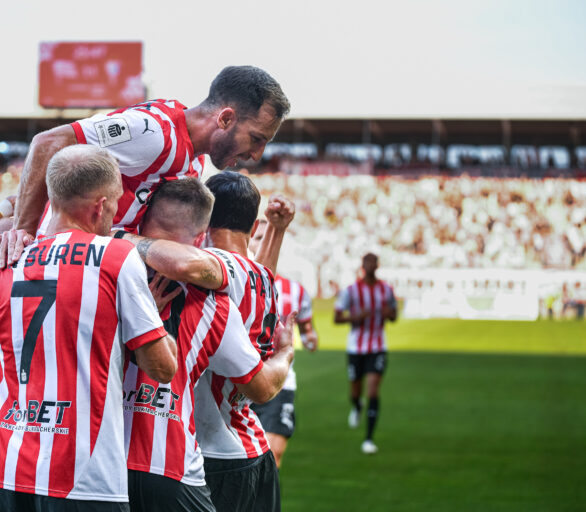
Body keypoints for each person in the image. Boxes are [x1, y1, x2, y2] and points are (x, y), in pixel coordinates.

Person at [0, 145, 178, 511]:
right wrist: (153, 319)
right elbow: (162, 368)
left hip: (5, 476)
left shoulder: (3, 260)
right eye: (113, 205)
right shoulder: (115, 256)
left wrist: (6, 208)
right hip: (85, 482)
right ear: (100, 206)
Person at [116, 171, 294, 511]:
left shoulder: (220, 270)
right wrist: (277, 231)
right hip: (251, 443)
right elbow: (254, 269)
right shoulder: (263, 277)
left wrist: (116, 236)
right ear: (252, 227)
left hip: (213, 451)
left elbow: (190, 265)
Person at [0, 65, 290, 262]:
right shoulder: (154, 132)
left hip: (99, 265)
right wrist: (23, 230)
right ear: (225, 118)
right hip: (59, 260)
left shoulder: (194, 161)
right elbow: (48, 142)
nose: (256, 156)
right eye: (256, 139)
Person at [248, 220, 319, 468]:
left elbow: (308, 330)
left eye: (268, 238)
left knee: (271, 455)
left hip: (279, 381)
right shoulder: (237, 282)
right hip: (240, 380)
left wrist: (310, 339)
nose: (262, 244)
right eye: (257, 238)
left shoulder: (295, 291)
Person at [334, 253, 397, 455]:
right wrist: (355, 317)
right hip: (356, 348)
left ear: (377, 265)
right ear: (362, 265)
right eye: (367, 262)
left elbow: (394, 314)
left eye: (373, 262)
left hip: (378, 347)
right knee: (355, 391)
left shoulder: (386, 290)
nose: (370, 265)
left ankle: (369, 438)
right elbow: (337, 318)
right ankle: (357, 405)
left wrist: (389, 314)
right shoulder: (351, 291)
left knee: (372, 390)